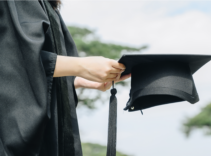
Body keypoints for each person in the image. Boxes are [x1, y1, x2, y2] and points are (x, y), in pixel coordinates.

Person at [0, 0, 131, 155]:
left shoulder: (50, 7)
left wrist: (75, 80)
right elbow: (12, 60)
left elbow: (41, 68)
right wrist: (81, 66)